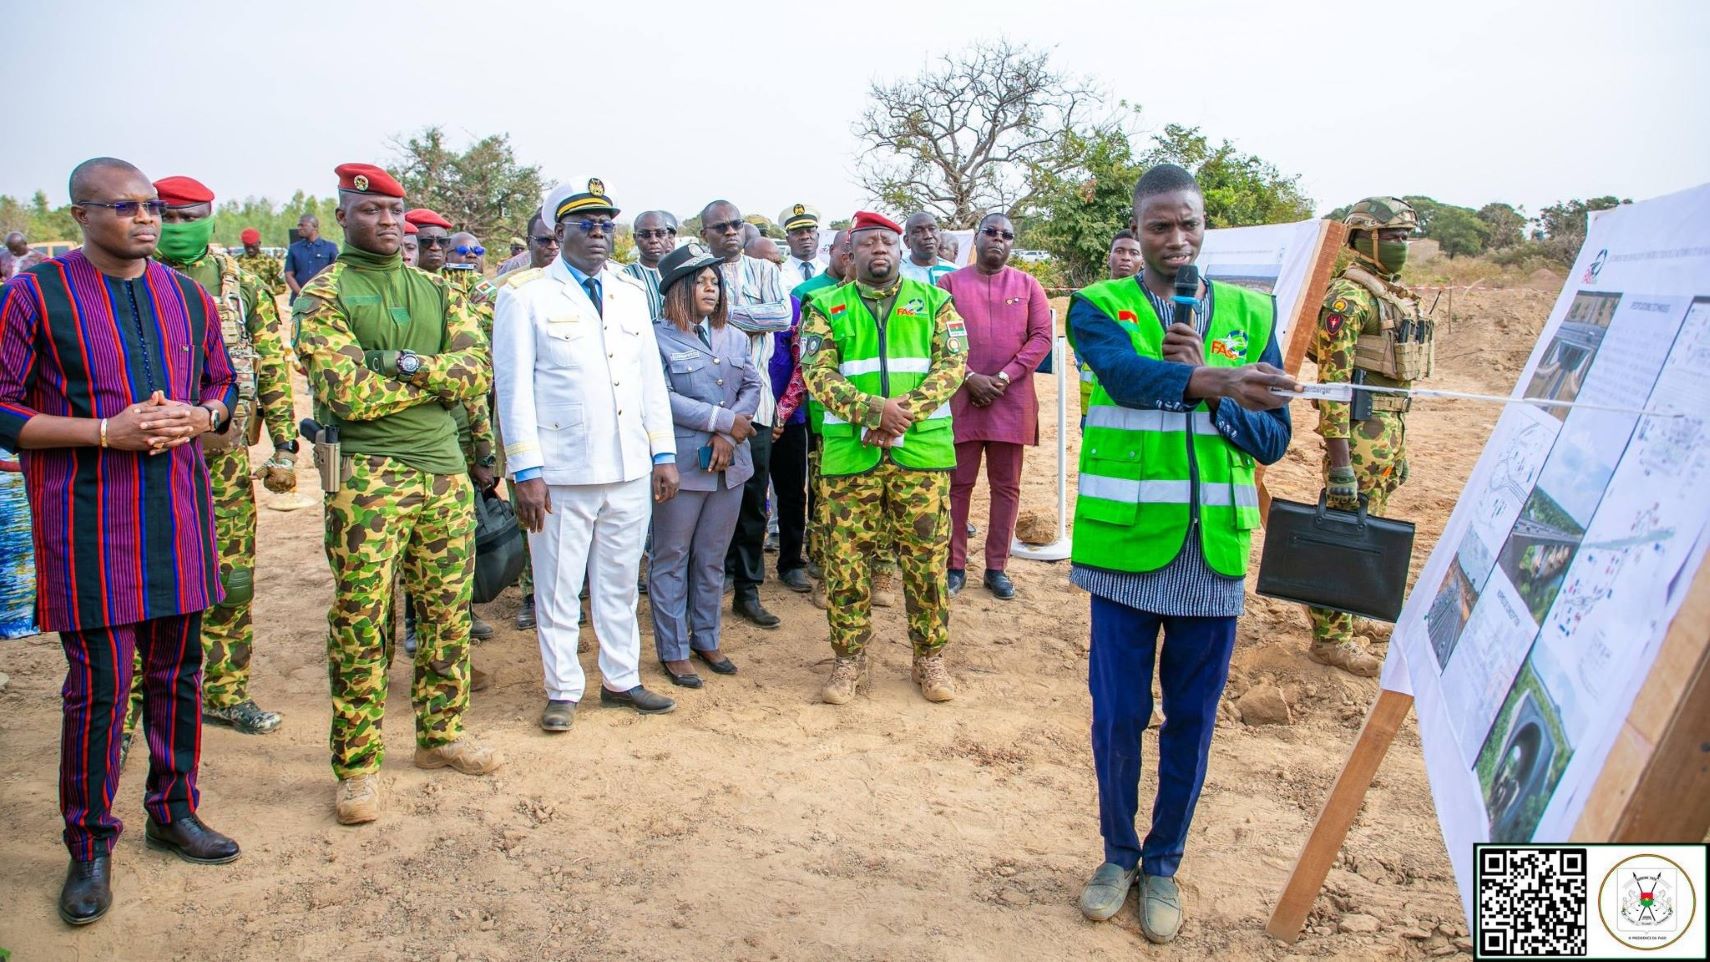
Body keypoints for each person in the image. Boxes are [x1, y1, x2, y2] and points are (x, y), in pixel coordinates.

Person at [0, 157, 243, 926]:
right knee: (101, 689)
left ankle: (172, 811)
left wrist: (203, 418)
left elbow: (224, 384)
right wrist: (106, 431)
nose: (147, 220)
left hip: (178, 514)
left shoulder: (189, 298)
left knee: (179, 674)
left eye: (155, 210)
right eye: (126, 207)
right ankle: (90, 844)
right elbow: (2, 410)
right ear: (80, 215)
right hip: (89, 522)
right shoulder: (33, 295)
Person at [1066, 164, 1297, 944]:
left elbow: (1274, 437)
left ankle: (1163, 864)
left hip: (1214, 554)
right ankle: (1115, 855)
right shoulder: (1099, 307)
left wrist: (1223, 392)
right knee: (1120, 716)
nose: (1176, 239)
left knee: (1191, 721)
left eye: (1188, 224)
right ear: (1137, 231)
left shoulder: (1250, 308)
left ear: (1205, 228)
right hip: (1127, 548)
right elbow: (1127, 379)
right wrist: (1204, 377)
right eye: (1159, 226)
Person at [293, 163, 502, 827]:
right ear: (343, 217)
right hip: (365, 475)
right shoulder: (324, 295)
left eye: (394, 210)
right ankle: (356, 766)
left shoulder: (438, 292)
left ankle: (441, 736)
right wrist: (434, 380)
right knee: (362, 618)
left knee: (446, 610)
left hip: (443, 472)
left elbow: (475, 375)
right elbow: (343, 394)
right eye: (371, 210)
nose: (386, 221)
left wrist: (396, 362)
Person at [494, 178, 680, 733]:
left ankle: (621, 680)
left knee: (620, 582)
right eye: (585, 225)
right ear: (558, 232)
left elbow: (649, 380)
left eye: (605, 224)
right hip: (562, 470)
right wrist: (525, 470)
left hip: (628, 466)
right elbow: (513, 389)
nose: (599, 234)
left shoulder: (628, 290)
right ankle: (563, 689)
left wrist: (663, 452)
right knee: (558, 586)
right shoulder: (524, 295)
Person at [120, 175, 299, 740]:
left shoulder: (240, 284)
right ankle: (127, 706)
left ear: (210, 217)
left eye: (187, 216)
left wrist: (286, 446)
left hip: (219, 460)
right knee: (134, 582)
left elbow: (270, 364)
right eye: (165, 216)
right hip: (135, 461)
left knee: (231, 579)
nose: (174, 227)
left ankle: (222, 693)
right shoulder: (120, 279)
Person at [799, 210, 967, 705]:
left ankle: (929, 659)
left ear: (899, 250)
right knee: (845, 562)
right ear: (851, 252)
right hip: (851, 455)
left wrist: (900, 416)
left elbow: (952, 366)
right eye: (868, 243)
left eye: (887, 242)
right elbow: (817, 372)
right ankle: (848, 661)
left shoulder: (937, 302)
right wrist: (871, 412)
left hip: (921, 453)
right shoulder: (823, 305)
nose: (879, 250)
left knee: (927, 563)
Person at [1306, 196, 1432, 677]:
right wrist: (1339, 460)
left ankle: (1354, 612)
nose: (1401, 246)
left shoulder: (1391, 294)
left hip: (1388, 429)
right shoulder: (1349, 298)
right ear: (1365, 239)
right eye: (1393, 237)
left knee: (1371, 524)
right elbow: (1333, 383)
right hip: (1357, 434)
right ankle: (1330, 637)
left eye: (1405, 237)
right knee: (1344, 531)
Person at [648, 243, 761, 687]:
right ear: (678, 288)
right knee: (671, 558)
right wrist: (721, 420)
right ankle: (674, 649)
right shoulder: (654, 336)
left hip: (730, 461)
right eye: (702, 281)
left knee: (712, 558)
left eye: (716, 281)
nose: (712, 288)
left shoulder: (732, 334)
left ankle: (707, 637)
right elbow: (660, 397)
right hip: (681, 464)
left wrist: (728, 431)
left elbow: (752, 383)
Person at [938, 212, 1052, 600]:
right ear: (976, 236)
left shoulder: (1028, 284)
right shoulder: (949, 283)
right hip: (961, 397)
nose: (998, 240)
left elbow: (1041, 337)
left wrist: (1003, 377)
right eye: (991, 232)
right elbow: (937, 339)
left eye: (1007, 235)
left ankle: (996, 568)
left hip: (1011, 399)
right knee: (958, 486)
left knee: (1007, 488)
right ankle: (955, 565)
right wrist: (969, 377)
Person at [402, 208, 498, 650]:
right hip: (406, 441)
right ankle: (409, 624)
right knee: (403, 544)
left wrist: (484, 450)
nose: (438, 251)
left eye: (447, 244)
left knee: (456, 538)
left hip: (457, 436)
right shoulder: (402, 300)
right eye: (427, 243)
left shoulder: (462, 297)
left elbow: (474, 380)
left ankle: (461, 611)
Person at [700, 200, 791, 628]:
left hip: (756, 405)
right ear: (706, 234)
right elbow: (690, 324)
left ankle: (748, 591)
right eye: (720, 227)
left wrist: (724, 313)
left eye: (736, 224)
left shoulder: (768, 271)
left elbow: (782, 315)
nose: (731, 232)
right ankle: (709, 585)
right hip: (707, 408)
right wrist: (748, 320)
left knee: (754, 499)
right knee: (710, 498)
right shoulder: (697, 274)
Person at [776, 229, 851, 603]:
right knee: (821, 496)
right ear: (832, 252)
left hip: (872, 421)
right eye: (846, 250)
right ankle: (821, 565)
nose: (852, 258)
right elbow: (803, 362)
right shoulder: (812, 295)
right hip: (821, 415)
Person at [622, 209, 676, 319]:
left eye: (660, 233)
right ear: (635, 238)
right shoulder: (625, 277)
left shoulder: (682, 272)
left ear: (667, 235)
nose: (653, 240)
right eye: (645, 235)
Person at [283, 213, 337, 296]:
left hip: (323, 299)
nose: (299, 228)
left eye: (302, 225)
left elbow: (336, 273)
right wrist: (302, 294)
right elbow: (288, 275)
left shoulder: (330, 247)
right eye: (298, 226)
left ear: (314, 227)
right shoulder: (294, 248)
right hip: (300, 300)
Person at [899, 212, 956, 286]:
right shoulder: (897, 273)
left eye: (932, 229)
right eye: (918, 231)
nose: (928, 236)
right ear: (907, 241)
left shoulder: (955, 273)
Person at [501, 210, 559, 280]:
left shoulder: (573, 278)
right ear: (529, 243)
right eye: (544, 240)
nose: (554, 246)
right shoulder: (507, 284)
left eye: (558, 240)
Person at [234, 227, 287, 299]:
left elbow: (282, 286)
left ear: (259, 243)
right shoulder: (236, 262)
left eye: (253, 247)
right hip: (244, 304)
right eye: (247, 247)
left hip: (265, 305)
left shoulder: (270, 261)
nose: (250, 250)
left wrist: (266, 291)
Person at [778, 203, 824, 284]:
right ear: (787, 240)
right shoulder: (777, 273)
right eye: (797, 232)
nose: (805, 236)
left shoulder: (830, 272)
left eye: (810, 231)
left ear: (818, 236)